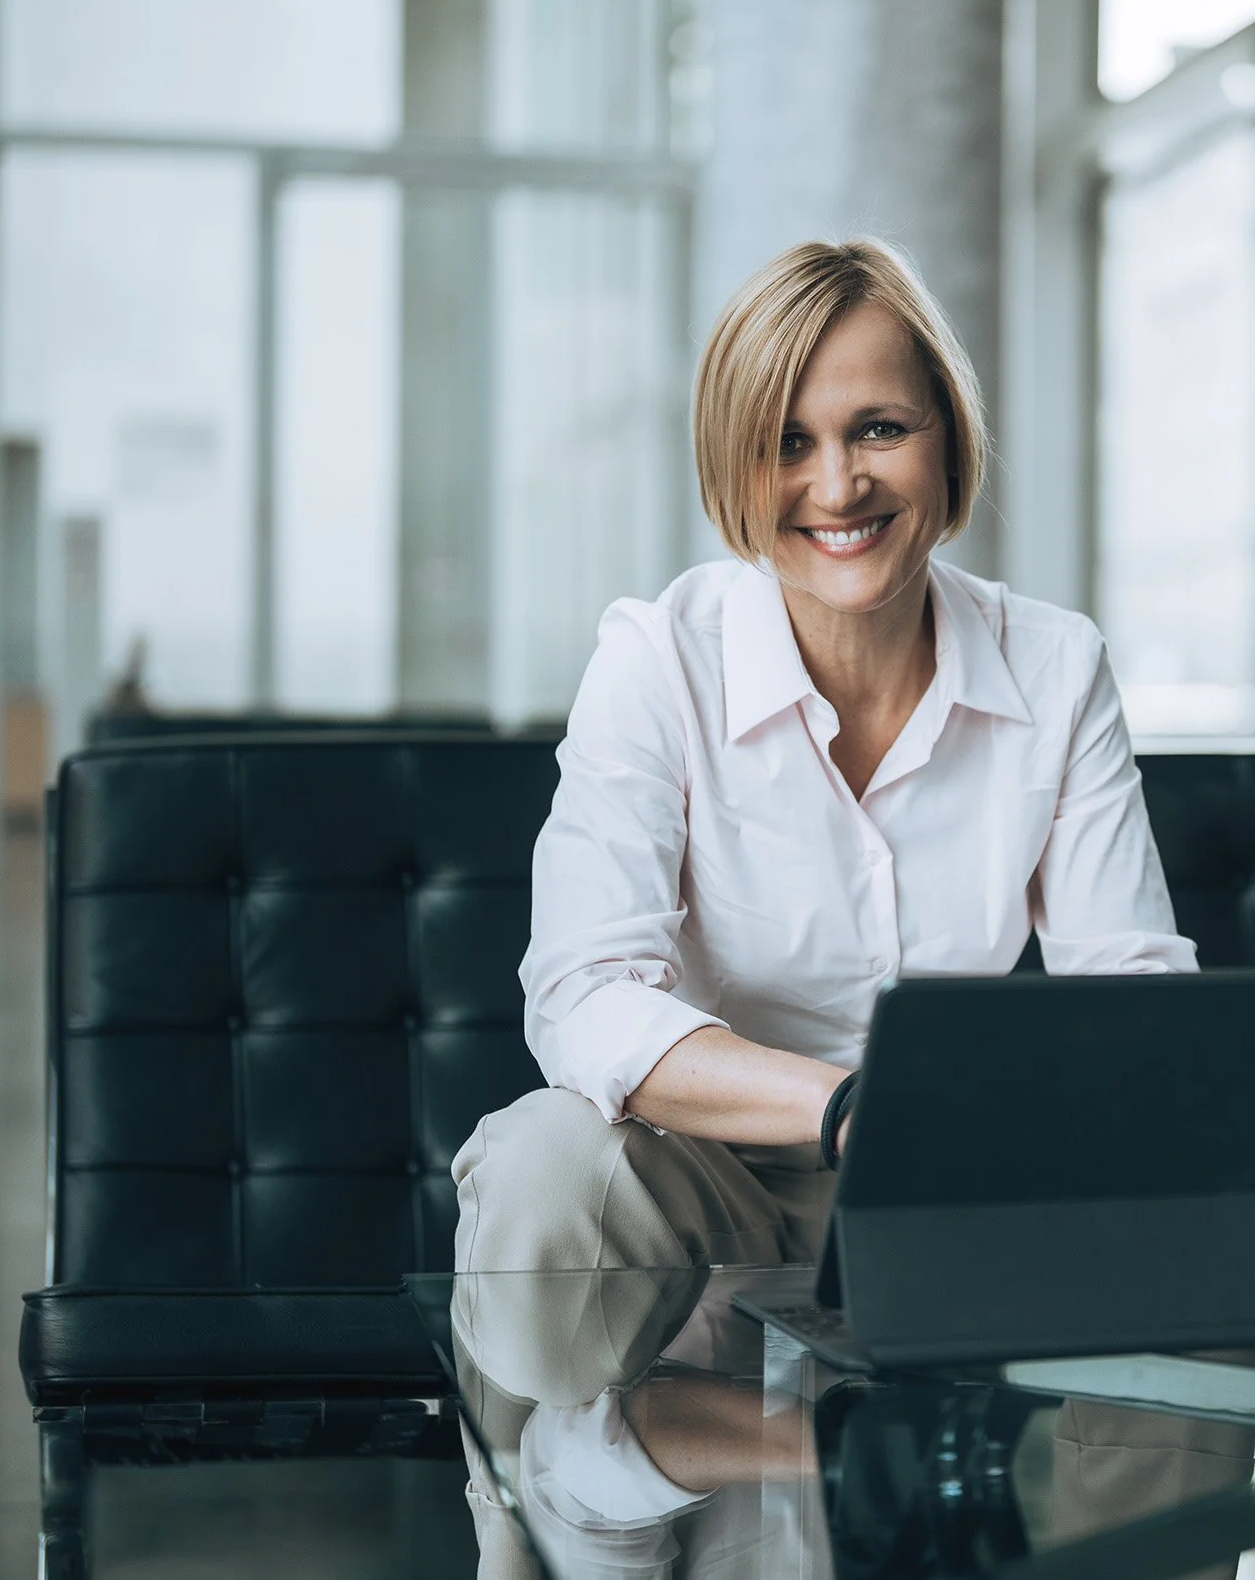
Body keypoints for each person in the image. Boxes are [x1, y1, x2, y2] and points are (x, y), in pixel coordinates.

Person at [449, 238, 1196, 1281]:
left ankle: (778, 1440)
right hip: (702, 1196)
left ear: (945, 439)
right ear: (733, 463)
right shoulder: (659, 658)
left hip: (959, 1196)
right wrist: (855, 1106)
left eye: (879, 429)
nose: (836, 485)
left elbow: (1132, 992)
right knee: (544, 1158)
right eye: (786, 442)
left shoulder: (1057, 666)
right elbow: (586, 995)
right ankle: (676, 1441)